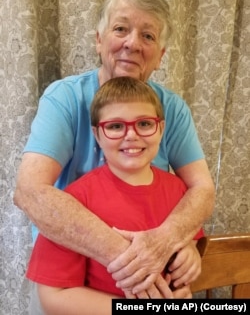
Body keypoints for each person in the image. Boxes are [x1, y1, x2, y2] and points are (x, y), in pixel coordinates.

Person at [14, 0, 215, 296]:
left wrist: (174, 246)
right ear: (98, 39)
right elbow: (29, 192)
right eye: (121, 29)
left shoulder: (173, 109)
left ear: (160, 55)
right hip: (72, 281)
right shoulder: (64, 99)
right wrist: (133, 260)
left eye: (147, 35)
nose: (133, 43)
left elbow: (201, 190)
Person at [26, 77, 204, 315]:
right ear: (97, 135)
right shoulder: (72, 204)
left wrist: (190, 256)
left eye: (144, 123)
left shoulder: (181, 192)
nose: (131, 135)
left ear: (161, 129)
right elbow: (53, 297)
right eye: (115, 126)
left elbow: (190, 239)